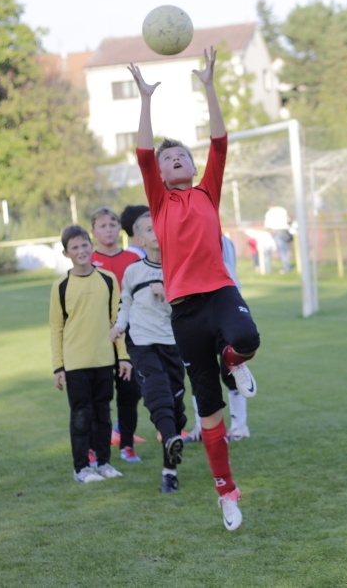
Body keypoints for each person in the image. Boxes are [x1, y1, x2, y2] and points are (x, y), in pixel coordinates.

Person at [128, 46, 260, 531]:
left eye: (183, 154)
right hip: (184, 312)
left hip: (220, 293)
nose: (179, 159)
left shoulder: (208, 190)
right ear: (161, 173)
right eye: (170, 158)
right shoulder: (160, 203)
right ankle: (226, 491)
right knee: (207, 409)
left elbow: (220, 141)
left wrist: (209, 86)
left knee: (247, 341)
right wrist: (144, 99)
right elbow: (142, 151)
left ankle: (234, 362)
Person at [110, 211, 187, 493]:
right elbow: (126, 304)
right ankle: (169, 438)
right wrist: (119, 326)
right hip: (142, 342)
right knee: (156, 392)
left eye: (159, 227)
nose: (156, 232)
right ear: (139, 238)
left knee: (176, 409)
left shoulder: (179, 269)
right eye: (148, 229)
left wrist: (167, 296)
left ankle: (170, 469)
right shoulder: (133, 271)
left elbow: (187, 310)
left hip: (174, 343)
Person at [50, 225, 132, 484]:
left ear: (91, 246)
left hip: (104, 360)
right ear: (66, 253)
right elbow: (57, 329)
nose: (81, 250)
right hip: (75, 363)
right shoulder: (61, 287)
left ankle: (105, 463)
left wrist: (123, 357)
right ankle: (82, 469)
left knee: (103, 415)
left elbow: (116, 322)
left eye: (84, 245)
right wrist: (58, 366)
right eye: (74, 247)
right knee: (81, 417)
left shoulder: (107, 280)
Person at [90, 207, 144, 462]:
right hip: (99, 338)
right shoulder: (87, 261)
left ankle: (126, 444)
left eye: (112, 225)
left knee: (130, 392)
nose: (108, 229)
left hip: (130, 335)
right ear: (94, 231)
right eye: (102, 225)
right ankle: (96, 446)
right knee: (98, 395)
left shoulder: (133, 259)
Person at [185, 233, 250, 442]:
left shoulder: (221, 240)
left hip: (223, 308)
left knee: (230, 369)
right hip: (195, 311)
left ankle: (239, 427)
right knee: (199, 373)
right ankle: (202, 427)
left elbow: (229, 273)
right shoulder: (186, 236)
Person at [263, 204, 293, 273]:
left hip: (276, 231)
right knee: (285, 250)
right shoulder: (282, 209)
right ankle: (287, 266)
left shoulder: (269, 213)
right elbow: (288, 219)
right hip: (285, 231)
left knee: (282, 250)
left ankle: (286, 268)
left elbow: (267, 225)